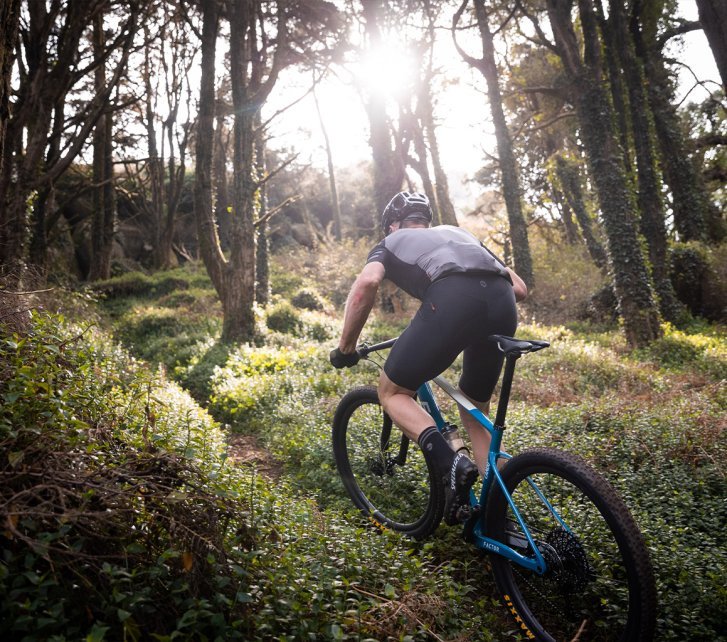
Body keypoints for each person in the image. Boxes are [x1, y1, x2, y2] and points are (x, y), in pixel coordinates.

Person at [330, 191, 527, 525]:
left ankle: (451, 462)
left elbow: (367, 283)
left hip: (452, 302)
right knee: (475, 407)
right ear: (426, 221)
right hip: (501, 304)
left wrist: (346, 348)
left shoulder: (391, 241)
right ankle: (499, 511)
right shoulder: (459, 233)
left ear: (392, 224)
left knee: (392, 393)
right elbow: (519, 289)